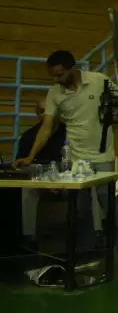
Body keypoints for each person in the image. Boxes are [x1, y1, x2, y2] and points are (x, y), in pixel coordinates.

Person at [14, 49, 118, 253]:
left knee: (110, 205)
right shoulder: (55, 93)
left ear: (72, 69)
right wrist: (30, 156)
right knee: (80, 209)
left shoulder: (99, 80)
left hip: (103, 155)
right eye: (53, 76)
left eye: (60, 74)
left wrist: (114, 114)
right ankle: (85, 253)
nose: (57, 79)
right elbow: (46, 128)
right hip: (76, 159)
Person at [16, 96, 66, 246]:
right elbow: (21, 165)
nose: (45, 114)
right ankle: (28, 237)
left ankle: (96, 234)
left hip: (66, 176)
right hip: (38, 177)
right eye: (42, 111)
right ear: (37, 113)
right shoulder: (29, 136)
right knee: (28, 189)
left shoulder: (70, 133)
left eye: (49, 111)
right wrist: (44, 181)